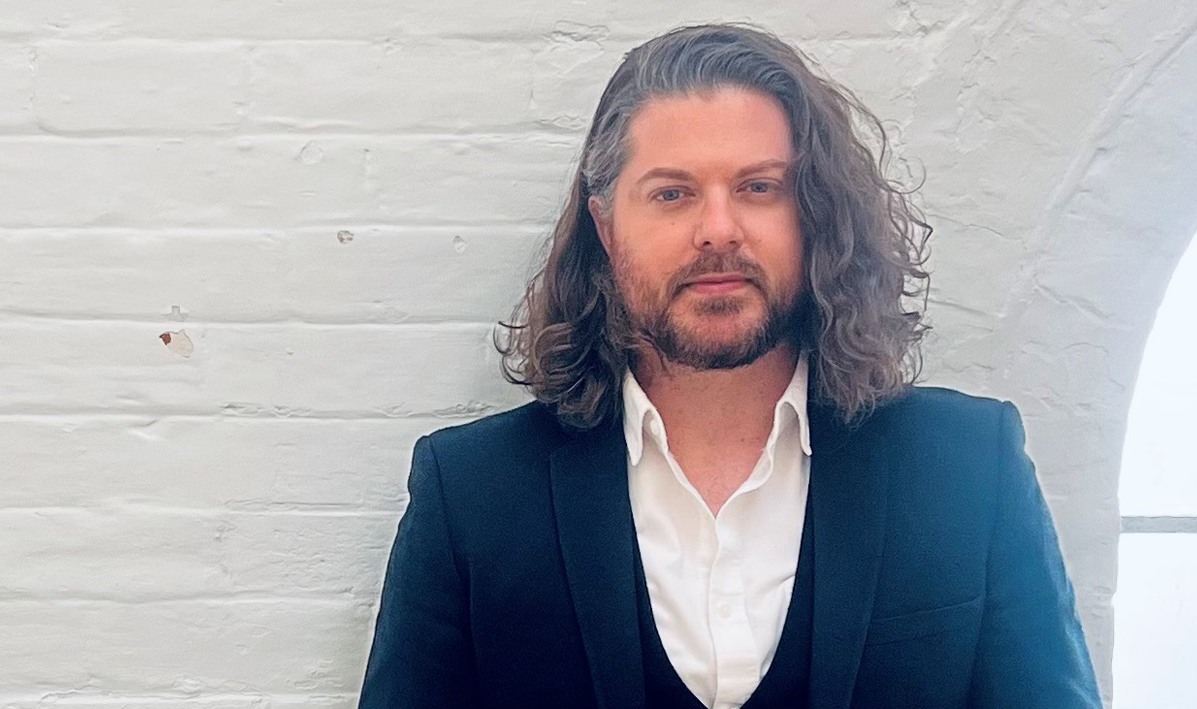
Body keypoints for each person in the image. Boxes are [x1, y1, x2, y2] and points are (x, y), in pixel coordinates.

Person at [357, 22, 1103, 709]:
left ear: (814, 214)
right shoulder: (471, 494)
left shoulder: (970, 469)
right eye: (672, 193)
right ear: (606, 227)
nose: (718, 230)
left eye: (758, 187)